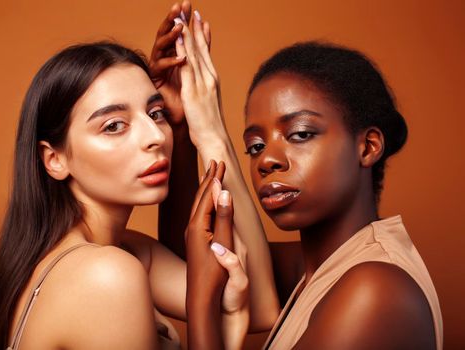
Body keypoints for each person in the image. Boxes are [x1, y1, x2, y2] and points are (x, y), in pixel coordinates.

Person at [0, 3, 278, 350]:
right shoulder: (105, 276)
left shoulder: (127, 251)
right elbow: (235, 312)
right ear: (54, 159)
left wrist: (205, 130)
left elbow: (262, 308)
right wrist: (219, 326)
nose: (155, 136)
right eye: (113, 126)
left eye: (155, 113)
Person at [169, 17, 443, 350]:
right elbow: (192, 259)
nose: (268, 160)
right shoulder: (318, 265)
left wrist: (202, 308)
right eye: (255, 146)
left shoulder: (374, 290)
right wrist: (181, 127)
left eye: (300, 134)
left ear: (367, 147)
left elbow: (200, 283)